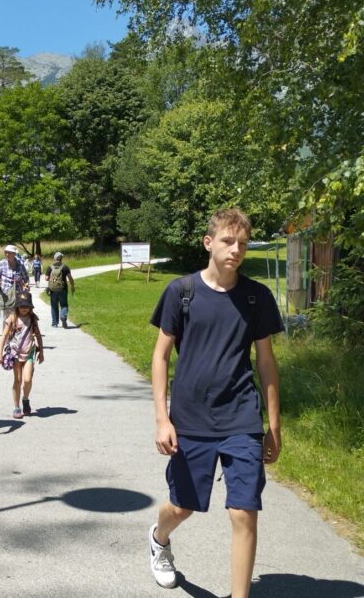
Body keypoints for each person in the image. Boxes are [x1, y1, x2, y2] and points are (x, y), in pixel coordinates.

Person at [147, 208, 283, 597]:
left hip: (241, 416)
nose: (236, 249)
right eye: (227, 241)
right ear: (209, 243)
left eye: (242, 243)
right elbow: (160, 356)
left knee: (244, 511)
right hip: (190, 418)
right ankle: (159, 539)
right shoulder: (182, 291)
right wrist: (162, 419)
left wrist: (274, 426)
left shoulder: (257, 297)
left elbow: (266, 363)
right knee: (183, 506)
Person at [0, 291, 44, 419]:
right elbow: (4, 336)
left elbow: (38, 335)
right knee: (17, 380)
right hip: (15, 354)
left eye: (27, 306)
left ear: (30, 306)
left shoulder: (33, 318)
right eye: (22, 306)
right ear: (17, 306)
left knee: (27, 379)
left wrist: (41, 352)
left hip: (29, 352)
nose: (24, 308)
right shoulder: (12, 318)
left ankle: (25, 399)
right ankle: (17, 407)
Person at [0, 244, 30, 321]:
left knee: (17, 316)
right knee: (7, 318)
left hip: (18, 294)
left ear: (14, 254)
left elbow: (26, 278)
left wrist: (26, 285)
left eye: (9, 253)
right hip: (5, 294)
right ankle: (7, 328)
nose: (7, 254)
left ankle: (15, 328)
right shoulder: (1, 263)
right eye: (6, 252)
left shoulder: (20, 264)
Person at [44, 252, 76, 327]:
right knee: (64, 305)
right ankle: (63, 316)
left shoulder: (50, 267)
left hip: (53, 290)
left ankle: (54, 323)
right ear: (61, 258)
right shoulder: (65, 267)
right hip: (63, 289)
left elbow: (46, 278)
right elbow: (70, 278)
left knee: (54, 306)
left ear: (54, 258)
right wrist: (72, 286)